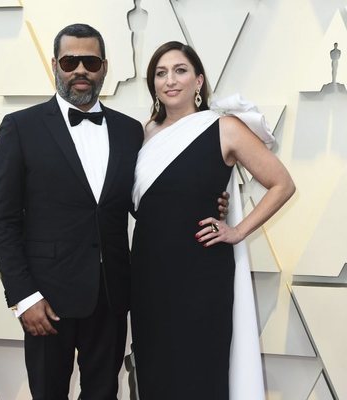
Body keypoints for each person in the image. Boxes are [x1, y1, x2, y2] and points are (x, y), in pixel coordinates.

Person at [0, 24, 229, 399]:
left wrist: (204, 200)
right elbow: (3, 221)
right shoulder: (21, 127)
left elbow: (148, 198)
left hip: (112, 296)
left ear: (104, 67)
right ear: (55, 65)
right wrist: (24, 297)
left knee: (103, 394)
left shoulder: (130, 131)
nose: (80, 70)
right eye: (71, 61)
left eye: (91, 61)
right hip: (47, 301)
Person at [130, 41, 295, 399]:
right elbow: (148, 202)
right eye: (160, 73)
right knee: (155, 372)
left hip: (200, 274)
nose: (170, 80)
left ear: (199, 80)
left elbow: (282, 184)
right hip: (147, 275)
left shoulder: (225, 128)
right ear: (153, 84)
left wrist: (238, 230)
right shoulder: (145, 134)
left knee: (200, 371)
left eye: (180, 70)